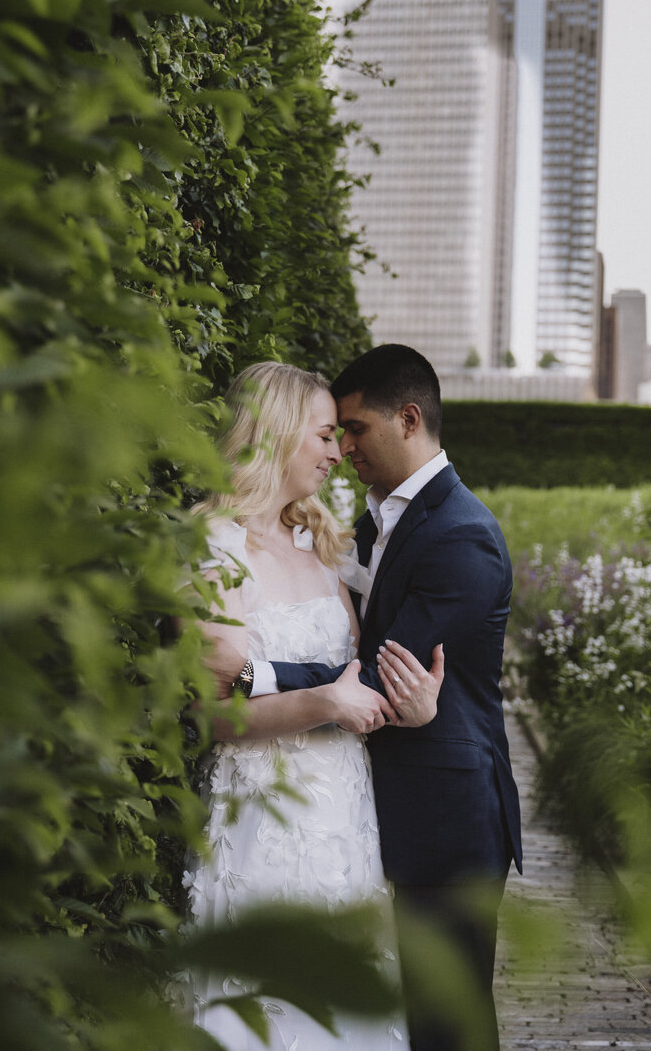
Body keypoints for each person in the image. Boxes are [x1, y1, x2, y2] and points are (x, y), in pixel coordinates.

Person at [211, 345, 522, 1051]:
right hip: (350, 807)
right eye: (332, 433)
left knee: (447, 1023)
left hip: (443, 817)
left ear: (409, 419)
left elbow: (379, 673)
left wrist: (255, 673)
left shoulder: (462, 537)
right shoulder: (371, 523)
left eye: (355, 430)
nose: (344, 448)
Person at [185, 361, 443, 1050]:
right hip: (261, 812)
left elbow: (360, 675)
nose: (339, 453)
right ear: (273, 434)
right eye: (325, 435)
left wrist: (411, 706)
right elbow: (213, 715)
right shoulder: (214, 547)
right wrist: (323, 700)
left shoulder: (326, 544)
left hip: (342, 813)